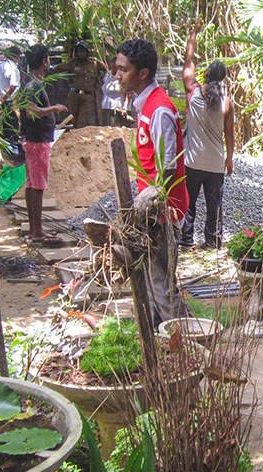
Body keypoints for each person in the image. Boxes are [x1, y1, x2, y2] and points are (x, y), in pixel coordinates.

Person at [114, 38, 190, 327]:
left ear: (142, 73)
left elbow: (167, 169)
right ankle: (162, 345)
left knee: (162, 287)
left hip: (161, 213)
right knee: (151, 284)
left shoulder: (159, 110)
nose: (118, 74)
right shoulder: (145, 106)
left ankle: (182, 347)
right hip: (152, 211)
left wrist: (153, 214)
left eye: (124, 69)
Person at [178, 19, 235, 249]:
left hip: (192, 161)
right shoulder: (226, 102)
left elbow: (188, 60)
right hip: (214, 163)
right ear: (222, 79)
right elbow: (229, 134)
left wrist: (194, 32)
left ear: (207, 73)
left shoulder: (193, 92)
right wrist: (229, 159)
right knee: (214, 205)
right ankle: (213, 241)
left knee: (189, 202)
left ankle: (186, 239)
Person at [18, 44, 68, 245]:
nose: (49, 63)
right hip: (38, 142)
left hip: (34, 140)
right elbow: (32, 111)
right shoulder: (33, 86)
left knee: (32, 185)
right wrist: (53, 108)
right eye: (47, 59)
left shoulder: (32, 84)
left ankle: (34, 229)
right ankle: (37, 231)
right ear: (43, 61)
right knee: (37, 186)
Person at [53, 40, 104, 128]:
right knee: (74, 119)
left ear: (87, 52)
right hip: (74, 95)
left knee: (83, 121)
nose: (81, 54)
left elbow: (106, 67)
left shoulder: (94, 63)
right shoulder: (72, 63)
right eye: (79, 51)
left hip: (87, 96)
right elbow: (58, 68)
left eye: (83, 51)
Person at [0, 46, 22, 143]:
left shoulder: (0, 66)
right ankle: (13, 145)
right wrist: (4, 98)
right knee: (13, 125)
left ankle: (5, 143)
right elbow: (13, 86)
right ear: (17, 56)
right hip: (9, 100)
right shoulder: (14, 69)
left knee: (3, 125)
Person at [101, 57, 128, 127]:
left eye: (115, 68)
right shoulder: (107, 75)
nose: (113, 70)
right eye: (112, 67)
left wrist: (125, 107)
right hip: (105, 107)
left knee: (113, 128)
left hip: (116, 108)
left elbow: (128, 93)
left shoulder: (123, 77)